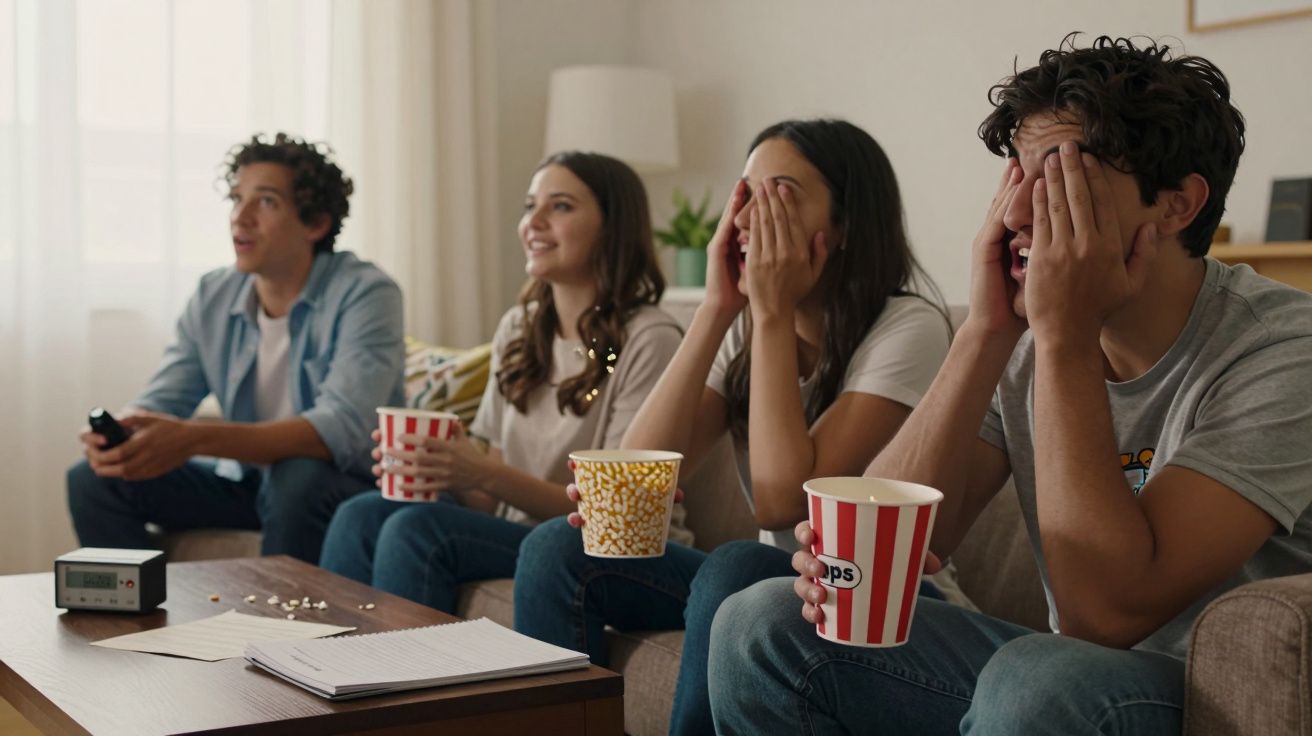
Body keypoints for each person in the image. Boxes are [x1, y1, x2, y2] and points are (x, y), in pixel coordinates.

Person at [708, 34, 1312, 735]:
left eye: (1060, 181)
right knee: (763, 620)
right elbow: (879, 557)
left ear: (1177, 205)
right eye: (1017, 180)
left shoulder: (1281, 349)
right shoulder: (1025, 338)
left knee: (1040, 678)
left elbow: (1104, 615)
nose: (1020, 215)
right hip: (1061, 678)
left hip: (1203, 694)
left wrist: (1062, 338)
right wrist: (985, 333)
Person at [512, 119, 952, 734]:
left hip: (877, 601)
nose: (748, 217)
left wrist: (769, 312)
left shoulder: (910, 328)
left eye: (780, 195)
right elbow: (632, 482)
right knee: (557, 546)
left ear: (845, 226)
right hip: (780, 585)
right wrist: (717, 308)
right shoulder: (743, 325)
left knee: (738, 566)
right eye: (744, 195)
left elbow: (783, 502)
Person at [318, 151, 685, 612]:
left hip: (599, 548)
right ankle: (326, 667)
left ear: (614, 226)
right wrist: (440, 466)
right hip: (521, 535)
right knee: (361, 513)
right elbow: (487, 501)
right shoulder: (521, 327)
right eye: (530, 206)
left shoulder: (648, 338)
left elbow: (610, 513)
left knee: (417, 532)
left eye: (561, 206)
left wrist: (483, 472)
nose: (534, 221)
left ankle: (404, 681)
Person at [66, 133, 404, 564]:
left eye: (265, 202)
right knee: (93, 479)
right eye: (236, 198)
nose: (239, 218)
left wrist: (194, 439)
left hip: (336, 486)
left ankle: (287, 629)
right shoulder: (214, 294)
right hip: (249, 484)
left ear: (315, 223)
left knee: (296, 474)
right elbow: (166, 396)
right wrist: (125, 436)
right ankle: (139, 623)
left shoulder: (366, 292)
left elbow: (339, 429)